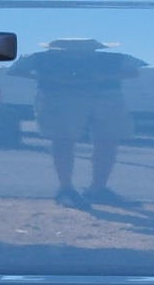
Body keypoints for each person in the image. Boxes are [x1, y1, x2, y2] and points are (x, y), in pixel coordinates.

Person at [10, 37, 146, 208]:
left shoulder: (40, 58)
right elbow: (134, 71)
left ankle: (96, 188)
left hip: (99, 96)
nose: (78, 54)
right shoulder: (41, 58)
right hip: (66, 96)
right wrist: (50, 78)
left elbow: (133, 72)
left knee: (106, 140)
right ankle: (68, 189)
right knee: (64, 140)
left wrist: (100, 76)